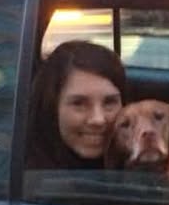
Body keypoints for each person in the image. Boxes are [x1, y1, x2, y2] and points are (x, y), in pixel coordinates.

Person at [26, 40, 127, 169]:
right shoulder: (21, 173)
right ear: (51, 107)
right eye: (79, 103)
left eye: (109, 102)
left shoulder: (138, 165)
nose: (98, 119)